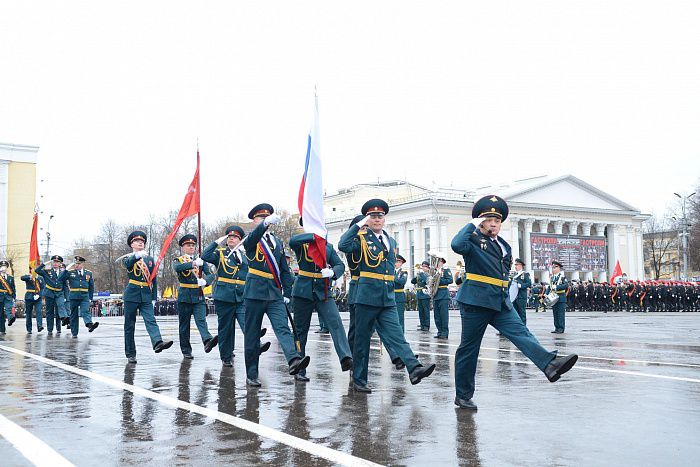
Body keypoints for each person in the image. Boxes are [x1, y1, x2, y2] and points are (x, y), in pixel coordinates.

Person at [450, 195, 578, 410]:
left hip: (500, 301)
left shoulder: (504, 245)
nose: (494, 224)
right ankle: (463, 395)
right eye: (489, 219)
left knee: (521, 332)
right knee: (469, 349)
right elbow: (456, 244)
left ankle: (549, 364)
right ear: (481, 221)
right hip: (476, 301)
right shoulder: (471, 240)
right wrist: (472, 223)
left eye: (497, 221)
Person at [339, 198, 436, 393]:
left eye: (380, 216)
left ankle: (414, 368)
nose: (377, 220)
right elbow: (343, 245)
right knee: (362, 339)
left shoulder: (390, 241)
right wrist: (359, 225)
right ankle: (359, 379)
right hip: (366, 295)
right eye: (373, 216)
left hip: (387, 295)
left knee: (397, 334)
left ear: (384, 218)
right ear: (368, 219)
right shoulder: (360, 238)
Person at [242, 203, 309, 387]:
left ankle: (294, 360)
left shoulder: (277, 242)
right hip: (254, 292)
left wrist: (287, 292)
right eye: (260, 218)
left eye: (267, 218)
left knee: (283, 328)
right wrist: (262, 226)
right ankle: (252, 374)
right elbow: (252, 240)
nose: (264, 220)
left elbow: (284, 270)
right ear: (254, 221)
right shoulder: (250, 240)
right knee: (252, 334)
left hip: (274, 293)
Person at [289, 222, 353, 381]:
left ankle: (345, 357)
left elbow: (340, 264)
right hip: (303, 291)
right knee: (300, 331)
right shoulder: (302, 244)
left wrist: (332, 272)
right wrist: (313, 236)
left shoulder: (327, 247)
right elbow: (292, 241)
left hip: (322, 291)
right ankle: (299, 368)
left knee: (335, 323)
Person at [201, 225, 270, 367]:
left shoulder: (246, 255)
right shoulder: (220, 254)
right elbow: (205, 256)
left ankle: (257, 344)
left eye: (235, 237)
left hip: (242, 296)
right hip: (224, 296)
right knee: (225, 328)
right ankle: (225, 356)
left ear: (241, 240)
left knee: (247, 322)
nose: (232, 239)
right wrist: (216, 243)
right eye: (229, 237)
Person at [122, 230, 173, 363]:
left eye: (142, 241)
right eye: (137, 241)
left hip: (145, 294)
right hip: (131, 294)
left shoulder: (150, 259)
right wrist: (137, 255)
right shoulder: (128, 258)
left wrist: (154, 298)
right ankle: (130, 354)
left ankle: (157, 343)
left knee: (151, 320)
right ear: (131, 244)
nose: (140, 243)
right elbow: (128, 265)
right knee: (129, 325)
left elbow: (153, 278)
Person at [173, 234, 218, 359]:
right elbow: (178, 268)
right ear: (183, 247)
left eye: (193, 245)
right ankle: (186, 350)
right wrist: (192, 263)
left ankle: (207, 341)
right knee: (184, 325)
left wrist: (205, 281)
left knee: (201, 320)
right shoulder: (179, 260)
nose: (191, 247)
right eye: (188, 245)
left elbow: (211, 274)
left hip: (198, 295)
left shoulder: (201, 262)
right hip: (184, 296)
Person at [64, 256, 99, 337]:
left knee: (85, 311)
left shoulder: (88, 273)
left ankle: (90, 325)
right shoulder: (70, 272)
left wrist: (90, 298)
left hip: (84, 296)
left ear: (82, 264)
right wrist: (66, 270)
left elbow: (91, 286)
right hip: (73, 296)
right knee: (74, 315)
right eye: (76, 263)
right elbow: (60, 279)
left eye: (79, 264)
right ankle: (74, 333)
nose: (77, 265)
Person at [35, 255, 70, 334]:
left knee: (60, 308)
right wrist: (44, 264)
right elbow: (37, 270)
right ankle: (50, 329)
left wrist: (66, 297)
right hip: (49, 293)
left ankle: (61, 324)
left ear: (60, 263)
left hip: (59, 293)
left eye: (57, 262)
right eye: (54, 261)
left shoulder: (63, 273)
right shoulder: (47, 271)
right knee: (49, 312)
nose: (55, 263)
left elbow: (65, 286)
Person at [432, 255, 453, 339]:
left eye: (439, 261)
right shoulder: (433, 271)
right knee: (436, 315)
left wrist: (438, 279)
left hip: (443, 294)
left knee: (443, 315)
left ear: (442, 262)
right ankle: (439, 331)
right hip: (435, 294)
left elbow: (450, 280)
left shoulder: (446, 270)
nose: (437, 263)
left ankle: (444, 332)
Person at [20, 269, 44, 333]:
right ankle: (29, 329)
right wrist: (30, 277)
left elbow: (43, 288)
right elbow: (22, 278)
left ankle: (39, 326)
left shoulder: (41, 278)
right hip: (29, 297)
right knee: (28, 313)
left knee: (39, 311)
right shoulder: (28, 277)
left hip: (38, 297)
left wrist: (39, 295)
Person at [411, 261, 432, 331]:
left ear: (428, 267)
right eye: (422, 266)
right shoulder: (420, 274)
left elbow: (427, 281)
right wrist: (416, 276)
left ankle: (426, 325)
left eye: (425, 266)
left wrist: (422, 274)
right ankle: (422, 324)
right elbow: (413, 281)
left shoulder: (429, 274)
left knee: (426, 311)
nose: (423, 268)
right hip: (419, 294)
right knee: (420, 311)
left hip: (425, 294)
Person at [510, 258, 532, 325]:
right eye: (515, 265)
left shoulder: (525, 274)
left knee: (522, 313)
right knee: (515, 313)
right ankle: (517, 327)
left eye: (517, 265)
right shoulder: (514, 275)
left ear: (521, 265)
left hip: (521, 297)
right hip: (514, 297)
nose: (515, 266)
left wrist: (521, 285)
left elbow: (529, 283)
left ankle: (523, 327)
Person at [549, 261, 568, 333]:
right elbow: (549, 287)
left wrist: (557, 287)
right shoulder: (552, 278)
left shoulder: (562, 277)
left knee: (560, 314)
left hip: (560, 297)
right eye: (552, 267)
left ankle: (561, 328)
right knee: (555, 313)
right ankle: (556, 327)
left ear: (559, 268)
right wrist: (546, 294)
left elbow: (566, 285)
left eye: (555, 267)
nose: (553, 269)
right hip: (553, 297)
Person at [0, 260, 16, 333]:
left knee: (8, 309)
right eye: (2, 267)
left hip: (8, 296)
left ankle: (10, 319)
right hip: (0, 296)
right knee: (0, 314)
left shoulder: (10, 277)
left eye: (5, 267)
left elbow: (13, 288)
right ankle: (2, 329)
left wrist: (14, 297)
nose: (4, 268)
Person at [393, 255, 408, 332]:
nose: (396, 263)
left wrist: (393, 277)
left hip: (399, 296)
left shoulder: (404, 272)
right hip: (391, 296)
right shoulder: (391, 271)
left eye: (398, 262)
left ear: (401, 263)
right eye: (395, 261)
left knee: (399, 317)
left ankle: (401, 333)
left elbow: (402, 282)